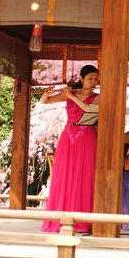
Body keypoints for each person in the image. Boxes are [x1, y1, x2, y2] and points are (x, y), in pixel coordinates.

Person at [40, 64, 100, 233]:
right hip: (68, 137)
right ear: (81, 79)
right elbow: (44, 102)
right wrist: (48, 93)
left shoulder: (97, 96)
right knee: (65, 175)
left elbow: (89, 110)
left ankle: (82, 222)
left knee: (84, 175)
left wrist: (71, 97)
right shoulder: (70, 93)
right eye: (90, 78)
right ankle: (59, 220)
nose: (94, 81)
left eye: (96, 78)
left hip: (86, 137)